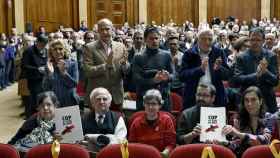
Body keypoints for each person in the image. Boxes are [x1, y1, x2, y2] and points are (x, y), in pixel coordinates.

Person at [83, 18, 129, 110]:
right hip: (98, 97)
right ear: (97, 31)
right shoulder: (89, 48)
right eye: (101, 29)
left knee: (117, 122)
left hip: (116, 96)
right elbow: (88, 71)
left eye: (107, 29)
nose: (104, 32)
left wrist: (125, 66)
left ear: (112, 30)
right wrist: (105, 66)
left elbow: (126, 71)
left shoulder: (121, 46)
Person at [180, 29, 230, 109]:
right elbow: (182, 76)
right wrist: (200, 70)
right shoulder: (189, 53)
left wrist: (219, 69)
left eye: (210, 39)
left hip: (215, 97)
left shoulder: (218, 52)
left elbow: (227, 75)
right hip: (193, 97)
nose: (207, 42)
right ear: (198, 39)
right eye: (203, 39)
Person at [234, 27, 279, 113]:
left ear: (263, 41)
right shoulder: (241, 57)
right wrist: (256, 75)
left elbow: (275, 81)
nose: (255, 42)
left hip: (267, 100)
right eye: (252, 39)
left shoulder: (271, 56)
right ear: (249, 40)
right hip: (247, 100)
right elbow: (237, 79)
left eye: (258, 40)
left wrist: (265, 72)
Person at [132, 26, 174, 111]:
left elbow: (174, 76)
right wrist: (154, 80)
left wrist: (167, 77)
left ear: (160, 39)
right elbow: (136, 79)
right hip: (144, 99)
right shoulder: (138, 57)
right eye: (151, 38)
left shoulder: (166, 55)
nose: (154, 41)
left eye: (156, 38)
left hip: (163, 98)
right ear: (145, 39)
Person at [222, 86, 272, 157]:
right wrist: (226, 143)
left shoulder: (269, 118)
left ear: (260, 101)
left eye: (253, 100)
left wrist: (238, 133)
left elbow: (264, 141)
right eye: (246, 100)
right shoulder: (239, 119)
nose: (249, 104)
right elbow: (237, 146)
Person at [128, 89, 176, 158]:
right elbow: (131, 145)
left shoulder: (167, 120)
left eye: (154, 104)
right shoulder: (136, 122)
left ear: (160, 105)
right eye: (148, 104)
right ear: (144, 104)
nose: (150, 107)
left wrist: (165, 153)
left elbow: (171, 144)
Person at [43, 40, 79, 107]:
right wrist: (50, 73)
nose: (58, 51)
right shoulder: (49, 66)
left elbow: (74, 84)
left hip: (70, 101)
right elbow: (45, 87)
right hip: (55, 101)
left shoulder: (73, 64)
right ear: (51, 52)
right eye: (55, 49)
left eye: (60, 49)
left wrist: (64, 73)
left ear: (65, 50)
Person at [21, 34, 48, 118]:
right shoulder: (29, 51)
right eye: (41, 44)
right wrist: (37, 69)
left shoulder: (46, 50)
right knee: (35, 101)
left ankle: (43, 116)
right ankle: (34, 118)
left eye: (44, 45)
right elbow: (24, 66)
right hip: (34, 80)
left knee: (44, 99)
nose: (43, 47)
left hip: (44, 78)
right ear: (37, 42)